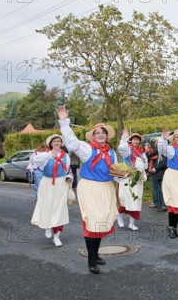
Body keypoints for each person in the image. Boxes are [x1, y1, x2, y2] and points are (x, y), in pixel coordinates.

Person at [56, 105, 118, 274]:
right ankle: (91, 260)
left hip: (107, 188)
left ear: (106, 135)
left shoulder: (112, 152)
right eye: (98, 132)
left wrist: (124, 176)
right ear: (93, 135)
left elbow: (116, 170)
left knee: (102, 221)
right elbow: (71, 142)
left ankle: (95, 254)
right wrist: (63, 121)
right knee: (92, 221)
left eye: (103, 132)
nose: (101, 135)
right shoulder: (88, 149)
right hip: (90, 187)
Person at [30, 134, 73, 247]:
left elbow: (68, 170)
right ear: (51, 144)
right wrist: (49, 155)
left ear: (61, 143)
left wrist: (69, 177)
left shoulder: (66, 156)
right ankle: (48, 226)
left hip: (61, 184)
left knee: (59, 209)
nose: (56, 143)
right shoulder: (45, 154)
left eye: (58, 141)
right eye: (54, 141)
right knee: (47, 206)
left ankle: (56, 236)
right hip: (48, 183)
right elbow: (36, 161)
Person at [117, 130, 148, 231]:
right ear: (131, 141)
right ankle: (120, 216)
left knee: (135, 200)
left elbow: (145, 166)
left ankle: (131, 223)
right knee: (124, 199)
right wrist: (124, 138)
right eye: (134, 139)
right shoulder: (128, 150)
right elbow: (122, 149)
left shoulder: (142, 153)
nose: (136, 141)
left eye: (137, 140)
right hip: (126, 177)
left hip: (137, 178)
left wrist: (143, 162)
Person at [146, 138, 167, 212]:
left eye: (159, 142)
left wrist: (155, 168)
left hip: (161, 172)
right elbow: (148, 155)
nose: (157, 143)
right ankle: (159, 203)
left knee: (161, 189)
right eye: (156, 142)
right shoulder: (157, 150)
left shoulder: (164, 151)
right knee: (156, 188)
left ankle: (163, 205)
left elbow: (164, 163)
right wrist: (147, 150)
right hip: (155, 172)